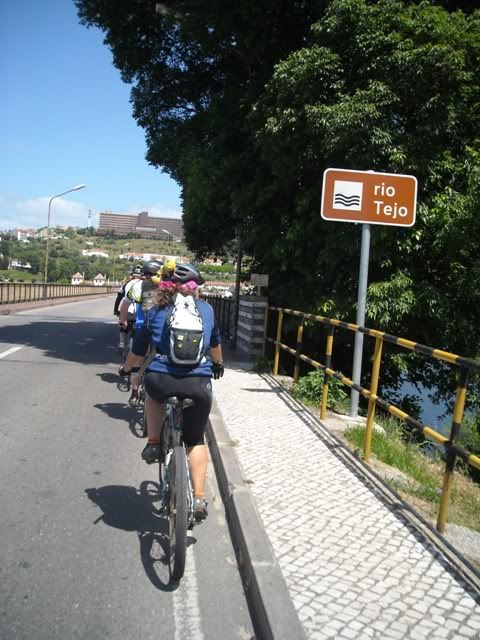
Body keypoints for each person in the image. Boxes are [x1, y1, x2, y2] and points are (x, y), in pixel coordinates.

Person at [120, 263, 224, 520]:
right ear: (195, 288)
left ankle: (153, 442)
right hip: (198, 384)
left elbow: (139, 347)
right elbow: (215, 344)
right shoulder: (207, 310)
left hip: (162, 378)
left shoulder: (156, 310)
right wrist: (218, 364)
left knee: (153, 394)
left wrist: (127, 368)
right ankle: (199, 499)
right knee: (196, 440)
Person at [119, 260, 163, 405]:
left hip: (141, 326)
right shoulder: (166, 286)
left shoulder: (137, 286)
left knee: (138, 359)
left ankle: (134, 393)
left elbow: (125, 304)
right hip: (160, 329)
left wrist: (123, 321)